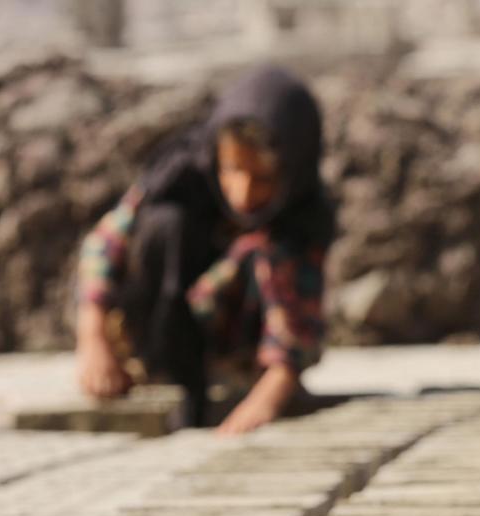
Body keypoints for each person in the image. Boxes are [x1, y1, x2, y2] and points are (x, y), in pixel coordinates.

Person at [76, 65, 334, 434]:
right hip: (164, 332)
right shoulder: (181, 174)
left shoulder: (304, 212)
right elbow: (104, 243)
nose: (243, 194)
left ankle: (239, 373)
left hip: (241, 345)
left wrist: (272, 393)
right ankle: (161, 368)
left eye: (262, 178)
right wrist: (93, 339)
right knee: (164, 223)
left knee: (267, 245)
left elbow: (300, 310)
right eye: (232, 170)